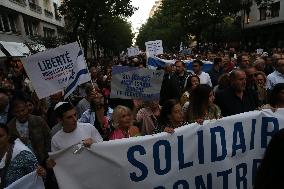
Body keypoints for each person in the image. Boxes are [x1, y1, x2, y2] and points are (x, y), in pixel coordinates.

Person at [7, 97, 51, 166]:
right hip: (23, 163)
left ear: (27, 109)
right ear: (13, 113)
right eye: (17, 112)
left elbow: (48, 137)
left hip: (43, 160)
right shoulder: (10, 127)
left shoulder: (38, 120)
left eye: (23, 110)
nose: (21, 113)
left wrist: (48, 156)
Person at [0, 123, 43, 188]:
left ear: (8, 136)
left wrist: (42, 173)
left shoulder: (23, 154)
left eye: (0, 136)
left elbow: (39, 177)